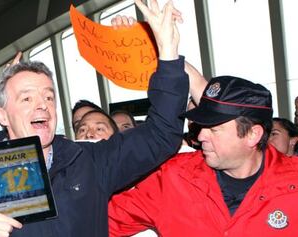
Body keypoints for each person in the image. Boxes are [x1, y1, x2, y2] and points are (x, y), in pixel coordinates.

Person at [0, 1, 191, 236]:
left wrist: (167, 54)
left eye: (49, 97)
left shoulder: (89, 161)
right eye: (26, 98)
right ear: (2, 114)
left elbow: (162, 134)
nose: (41, 105)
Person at [108, 2, 298, 236]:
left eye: (214, 129)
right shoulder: (172, 180)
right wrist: (154, 43)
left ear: (252, 134)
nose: (200, 135)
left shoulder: (293, 183)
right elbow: (99, 220)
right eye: (201, 125)